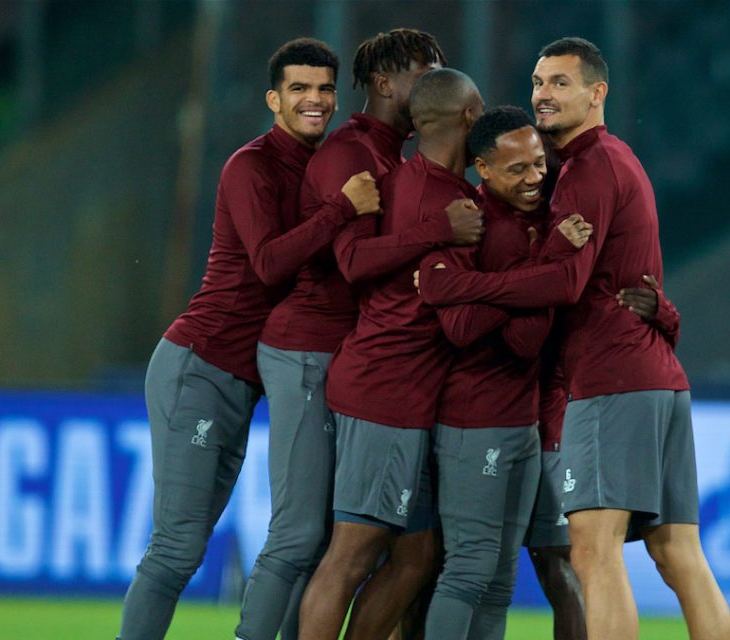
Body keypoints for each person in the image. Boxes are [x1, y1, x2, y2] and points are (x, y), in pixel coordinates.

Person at [414, 37, 730, 640]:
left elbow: (566, 282)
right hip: (658, 379)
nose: (544, 94)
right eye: (538, 82)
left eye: (560, 82)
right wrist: (664, 314)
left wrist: (456, 288)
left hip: (610, 383)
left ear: (598, 92)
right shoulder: (616, 159)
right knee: (679, 555)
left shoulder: (587, 169)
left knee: (592, 552)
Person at [235, 28, 462, 640]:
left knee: (408, 551)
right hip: (316, 353)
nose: (437, 82)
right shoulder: (349, 154)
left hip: (371, 363)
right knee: (308, 536)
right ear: (386, 83)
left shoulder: (395, 155)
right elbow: (354, 262)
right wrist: (437, 230)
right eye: (426, 71)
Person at [116, 38, 342, 640]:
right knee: (178, 547)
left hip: (241, 380)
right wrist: (342, 212)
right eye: (299, 88)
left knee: (284, 539)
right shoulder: (253, 165)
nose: (313, 99)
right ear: (274, 99)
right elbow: (268, 263)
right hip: (202, 363)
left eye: (323, 88)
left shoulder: (321, 168)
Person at [295, 68, 485, 640]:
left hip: (408, 395)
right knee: (352, 554)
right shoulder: (447, 206)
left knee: (416, 556)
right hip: (385, 392)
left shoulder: (399, 184)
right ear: (470, 119)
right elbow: (359, 265)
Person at [420, 106, 593, 639]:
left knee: (498, 579)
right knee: (469, 569)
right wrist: (549, 262)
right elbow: (515, 338)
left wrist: (514, 278)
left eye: (539, 163)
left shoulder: (536, 220)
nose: (535, 178)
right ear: (483, 169)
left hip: (522, 422)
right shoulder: (472, 227)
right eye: (517, 169)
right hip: (477, 419)